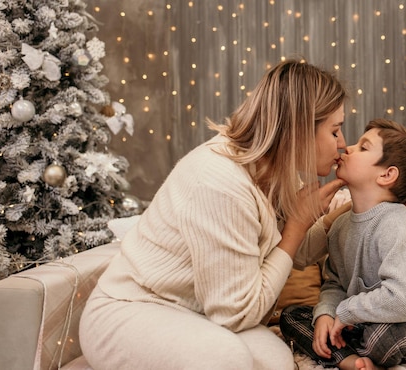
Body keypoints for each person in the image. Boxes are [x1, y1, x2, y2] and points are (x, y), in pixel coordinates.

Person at [79, 59, 351, 370]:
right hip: (129, 311)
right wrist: (298, 224)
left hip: (197, 313)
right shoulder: (220, 182)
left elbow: (294, 252)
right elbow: (236, 313)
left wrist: (343, 213)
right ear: (299, 131)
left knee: (276, 361)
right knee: (226, 359)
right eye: (335, 130)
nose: (342, 144)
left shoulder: (280, 170)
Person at [280, 119, 406, 370]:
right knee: (291, 317)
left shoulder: (395, 225)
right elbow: (335, 283)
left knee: (381, 340)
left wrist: (345, 313)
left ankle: (346, 352)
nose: (348, 148)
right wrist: (327, 315)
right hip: (362, 321)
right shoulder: (340, 226)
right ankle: (352, 361)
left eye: (363, 147)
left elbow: (404, 301)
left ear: (386, 175)